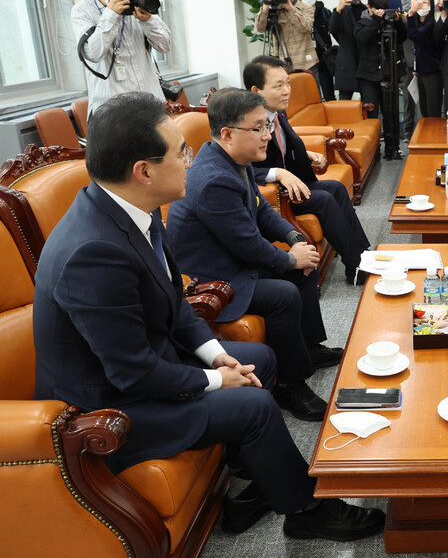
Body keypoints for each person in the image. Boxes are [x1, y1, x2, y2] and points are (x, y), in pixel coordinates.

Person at [32, 91, 385, 540]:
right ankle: (306, 512)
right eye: (182, 152)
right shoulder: (93, 253)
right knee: (253, 404)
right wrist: (216, 381)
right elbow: (132, 373)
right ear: (143, 171)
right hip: (107, 406)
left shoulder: (129, 209)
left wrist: (215, 356)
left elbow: (175, 304)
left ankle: (250, 488)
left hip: (143, 363)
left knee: (261, 357)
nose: (191, 160)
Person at [166, 88, 338, 422]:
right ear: (227, 134)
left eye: (268, 125)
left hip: (231, 260)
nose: (268, 135)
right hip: (211, 278)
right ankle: (290, 384)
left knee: (301, 269)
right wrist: (290, 258)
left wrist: (293, 238)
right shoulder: (214, 179)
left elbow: (260, 211)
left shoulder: (233, 160)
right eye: (258, 128)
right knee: (284, 292)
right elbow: (246, 243)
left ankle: (308, 348)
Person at [244, 55, 370, 282]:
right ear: (256, 90)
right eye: (278, 86)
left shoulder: (277, 113)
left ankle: (363, 256)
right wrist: (278, 173)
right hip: (273, 193)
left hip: (291, 183)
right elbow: (241, 169)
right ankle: (357, 265)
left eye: (287, 83)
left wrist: (307, 155)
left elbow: (284, 147)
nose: (286, 91)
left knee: (335, 188)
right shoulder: (248, 123)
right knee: (323, 199)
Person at [71, 0, 172, 116]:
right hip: (114, 111)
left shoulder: (135, 3)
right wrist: (111, 14)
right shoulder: (83, 11)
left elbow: (165, 46)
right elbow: (93, 53)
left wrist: (148, 22)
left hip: (151, 104)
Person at [355, 0, 408, 155]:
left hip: (388, 72)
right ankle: (373, 148)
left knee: (390, 110)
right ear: (369, 7)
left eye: (383, 10)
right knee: (372, 111)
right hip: (368, 74)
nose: (380, 12)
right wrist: (376, 21)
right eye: (376, 9)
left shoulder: (389, 19)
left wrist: (398, 22)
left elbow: (403, 37)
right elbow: (362, 39)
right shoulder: (362, 21)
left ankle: (393, 147)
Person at [255, 0, 318, 75]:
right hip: (283, 64)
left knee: (310, 91)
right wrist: (265, 6)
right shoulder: (274, 8)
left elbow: (305, 27)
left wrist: (291, 8)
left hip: (306, 63)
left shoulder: (306, 8)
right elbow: (260, 28)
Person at [299, 0, 337, 101]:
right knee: (311, 92)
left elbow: (334, 30)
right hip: (306, 58)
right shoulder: (297, 12)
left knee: (328, 91)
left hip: (324, 58)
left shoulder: (325, 12)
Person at [408, 0, 443, 118]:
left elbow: (415, 35)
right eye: (420, 3)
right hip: (421, 72)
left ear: (431, 6)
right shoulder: (419, 23)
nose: (422, 6)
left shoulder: (431, 24)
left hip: (432, 73)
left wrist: (410, 15)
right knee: (424, 110)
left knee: (433, 110)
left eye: (426, 3)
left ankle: (435, 137)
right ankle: (426, 137)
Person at [330, 0, 366, 100]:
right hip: (346, 62)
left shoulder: (365, 10)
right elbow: (333, 30)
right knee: (344, 101)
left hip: (363, 61)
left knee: (367, 101)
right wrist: (338, 10)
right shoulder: (340, 10)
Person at [395, 0, 418, 139]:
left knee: (413, 97)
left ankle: (416, 130)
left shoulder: (417, 7)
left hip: (413, 59)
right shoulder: (391, 7)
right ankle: (407, 131)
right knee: (406, 98)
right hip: (397, 59)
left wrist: (407, 20)